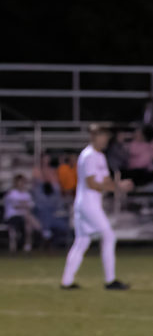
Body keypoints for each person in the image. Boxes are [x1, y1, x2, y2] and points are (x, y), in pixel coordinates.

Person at [60, 124, 134, 290]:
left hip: (89, 203)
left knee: (82, 241)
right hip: (88, 203)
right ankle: (110, 280)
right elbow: (92, 184)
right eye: (103, 135)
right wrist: (118, 187)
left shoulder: (99, 156)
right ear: (94, 136)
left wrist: (118, 185)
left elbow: (106, 181)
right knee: (109, 236)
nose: (106, 139)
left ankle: (66, 282)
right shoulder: (89, 156)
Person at [4, 174, 42, 252]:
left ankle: (27, 245)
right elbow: (16, 206)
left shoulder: (26, 194)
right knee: (28, 218)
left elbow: (30, 206)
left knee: (28, 224)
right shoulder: (12, 193)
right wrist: (24, 205)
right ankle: (42, 231)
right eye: (20, 182)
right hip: (13, 216)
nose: (22, 184)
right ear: (16, 183)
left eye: (23, 182)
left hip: (24, 216)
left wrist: (23, 205)